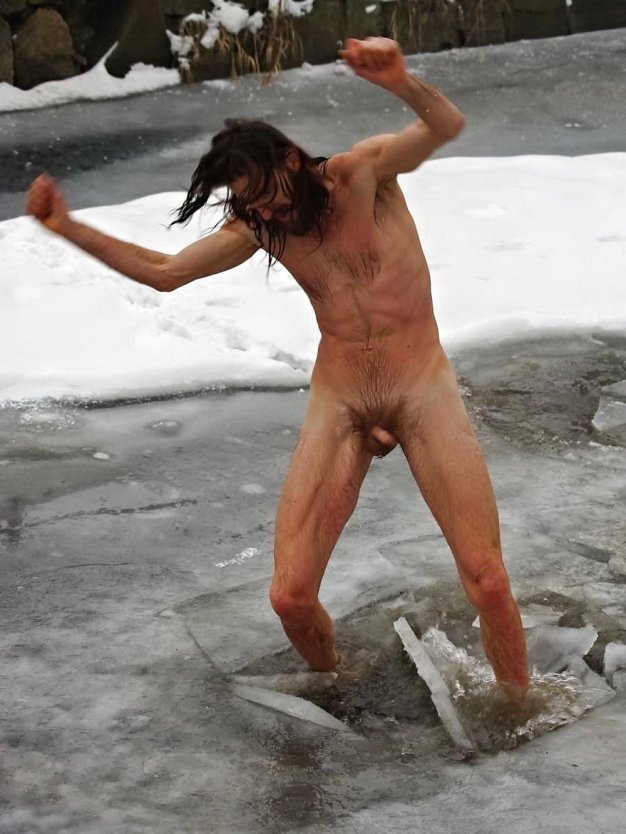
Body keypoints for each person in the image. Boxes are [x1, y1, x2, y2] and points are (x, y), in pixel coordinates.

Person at [27, 37, 529, 691]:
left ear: (292, 160)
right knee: (289, 596)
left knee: (487, 578)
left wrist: (400, 81)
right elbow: (165, 272)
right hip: (341, 399)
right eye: (250, 205)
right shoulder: (262, 225)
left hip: (421, 386)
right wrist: (66, 226)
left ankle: (519, 705)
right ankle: (334, 683)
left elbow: (445, 126)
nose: (265, 212)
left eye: (266, 195)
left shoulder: (361, 176)